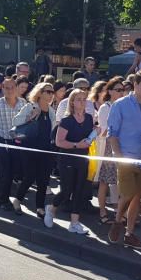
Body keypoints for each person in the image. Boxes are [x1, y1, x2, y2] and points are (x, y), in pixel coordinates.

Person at [106, 70, 141, 250]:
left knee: (137, 195)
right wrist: (118, 157)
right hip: (126, 156)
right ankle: (117, 221)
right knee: (128, 193)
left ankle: (129, 232)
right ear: (135, 85)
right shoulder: (120, 105)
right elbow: (112, 134)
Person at [45, 89, 94, 235]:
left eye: (84, 99)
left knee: (80, 190)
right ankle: (51, 208)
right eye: (78, 99)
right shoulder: (66, 120)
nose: (82, 102)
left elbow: (88, 137)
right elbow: (60, 142)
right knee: (67, 190)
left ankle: (74, 222)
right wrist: (76, 145)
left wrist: (94, 134)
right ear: (72, 102)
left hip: (83, 158)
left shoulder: (90, 118)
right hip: (67, 158)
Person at [12, 82, 56, 217]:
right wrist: (30, 117)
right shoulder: (30, 106)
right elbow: (15, 122)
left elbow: (53, 129)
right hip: (29, 148)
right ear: (40, 93)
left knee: (43, 180)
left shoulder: (51, 110)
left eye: (52, 92)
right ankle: (17, 200)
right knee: (30, 177)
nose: (50, 95)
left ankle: (40, 207)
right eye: (47, 91)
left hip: (45, 149)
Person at [0, 77, 26, 211]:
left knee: (16, 171)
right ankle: (3, 200)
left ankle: (9, 195)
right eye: (6, 88)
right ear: (2, 89)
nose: (9, 90)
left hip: (17, 141)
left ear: (16, 88)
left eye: (12, 87)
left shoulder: (23, 103)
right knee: (4, 171)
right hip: (2, 140)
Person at [96, 77, 125, 225]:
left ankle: (118, 210)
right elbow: (104, 131)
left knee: (119, 181)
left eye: (123, 90)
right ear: (110, 91)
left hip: (123, 146)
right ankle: (102, 210)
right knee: (104, 181)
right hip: (108, 146)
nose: (121, 93)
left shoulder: (124, 106)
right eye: (118, 90)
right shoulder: (105, 107)